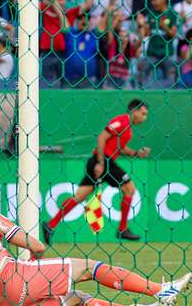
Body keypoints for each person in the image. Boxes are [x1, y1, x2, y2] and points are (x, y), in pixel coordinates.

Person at [0, 210, 192, 306]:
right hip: (10, 276)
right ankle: (162, 291)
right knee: (88, 268)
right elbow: (37, 245)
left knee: (75, 299)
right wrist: (34, 267)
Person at [44, 99, 152, 243]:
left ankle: (50, 225)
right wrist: (100, 162)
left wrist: (137, 153)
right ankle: (122, 229)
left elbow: (120, 148)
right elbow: (102, 137)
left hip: (103, 161)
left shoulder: (128, 129)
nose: (144, 118)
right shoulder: (121, 121)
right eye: (143, 114)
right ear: (134, 111)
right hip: (103, 161)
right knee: (129, 189)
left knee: (79, 196)